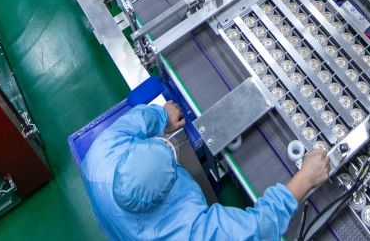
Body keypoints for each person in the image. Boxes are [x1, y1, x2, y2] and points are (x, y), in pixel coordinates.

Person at [83, 99, 331, 240]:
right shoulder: (185, 231)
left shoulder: (101, 154)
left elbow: (135, 122)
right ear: (165, 190)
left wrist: (162, 116)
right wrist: (305, 178)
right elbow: (258, 229)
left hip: (115, 224)